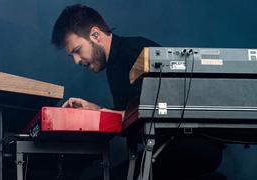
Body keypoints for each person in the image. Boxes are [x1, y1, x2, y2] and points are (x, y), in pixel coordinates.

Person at [51, 4, 225, 180]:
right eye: (71, 56)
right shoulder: (114, 64)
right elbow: (133, 115)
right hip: (169, 148)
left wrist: (98, 114)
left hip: (190, 147)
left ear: (95, 35)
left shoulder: (134, 52)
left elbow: (145, 114)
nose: (76, 61)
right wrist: (94, 109)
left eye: (77, 51)